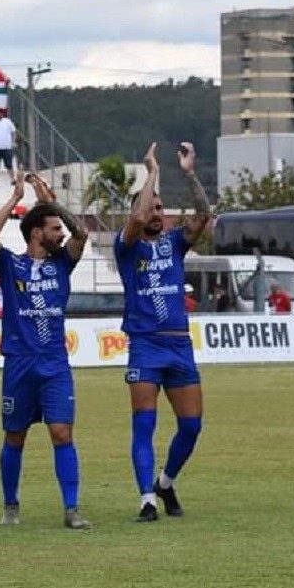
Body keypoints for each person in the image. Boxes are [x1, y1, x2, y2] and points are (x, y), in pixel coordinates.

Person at [0, 171, 93, 530]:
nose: (61, 234)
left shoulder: (63, 262)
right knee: (15, 436)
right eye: (54, 228)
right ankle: (11, 506)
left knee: (62, 433)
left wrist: (50, 202)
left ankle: (72, 509)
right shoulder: (11, 264)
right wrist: (15, 199)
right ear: (36, 233)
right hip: (19, 363)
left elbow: (83, 233)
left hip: (55, 364)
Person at [113, 142, 212, 523]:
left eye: (160, 207)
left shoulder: (173, 245)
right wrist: (152, 171)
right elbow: (136, 219)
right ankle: (146, 500)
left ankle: (165, 483)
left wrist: (188, 173)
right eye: (152, 206)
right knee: (145, 423)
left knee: (191, 425)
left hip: (178, 346)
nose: (157, 212)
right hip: (144, 345)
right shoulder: (128, 246)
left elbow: (203, 215)